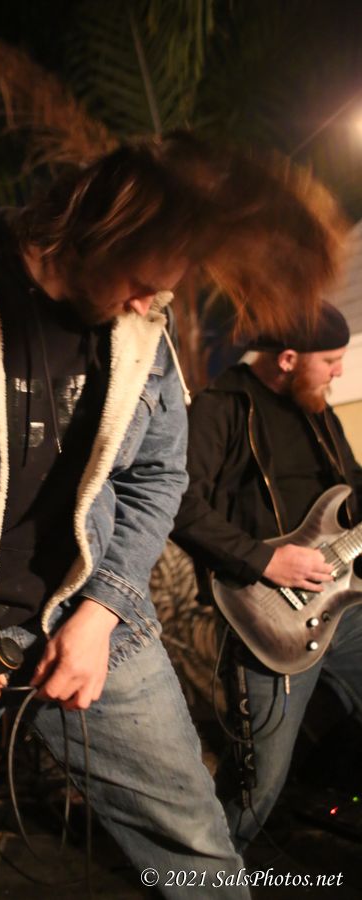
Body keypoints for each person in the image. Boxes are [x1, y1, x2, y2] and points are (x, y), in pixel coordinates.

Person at [0, 133, 343, 900]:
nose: (148, 307)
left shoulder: (144, 320)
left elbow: (160, 476)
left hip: (95, 628)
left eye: (161, 294)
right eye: (140, 285)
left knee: (201, 858)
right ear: (96, 230)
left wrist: (100, 615)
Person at [172, 300, 362, 851]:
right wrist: (266, 560)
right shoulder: (222, 407)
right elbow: (180, 504)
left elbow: (348, 492)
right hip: (270, 615)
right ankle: (198, 876)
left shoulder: (316, 409)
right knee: (257, 787)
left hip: (342, 606)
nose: (339, 371)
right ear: (287, 359)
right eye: (329, 360)